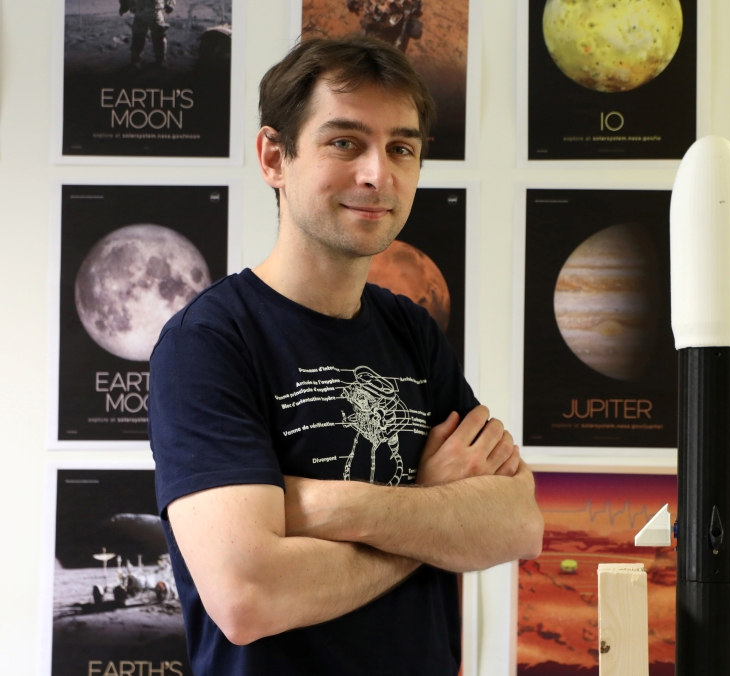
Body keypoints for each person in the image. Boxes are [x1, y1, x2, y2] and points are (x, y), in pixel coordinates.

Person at [148, 36, 544, 675]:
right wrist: (429, 511)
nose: (377, 174)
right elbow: (250, 596)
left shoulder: (409, 331)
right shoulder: (208, 342)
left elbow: (518, 522)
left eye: (402, 148)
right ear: (274, 157)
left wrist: (330, 507)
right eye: (344, 142)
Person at [120, 0, 175, 68]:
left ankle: (159, 60)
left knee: (156, 34)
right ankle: (137, 59)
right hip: (144, 10)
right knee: (141, 35)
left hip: (149, 10)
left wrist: (170, 4)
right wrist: (124, 5)